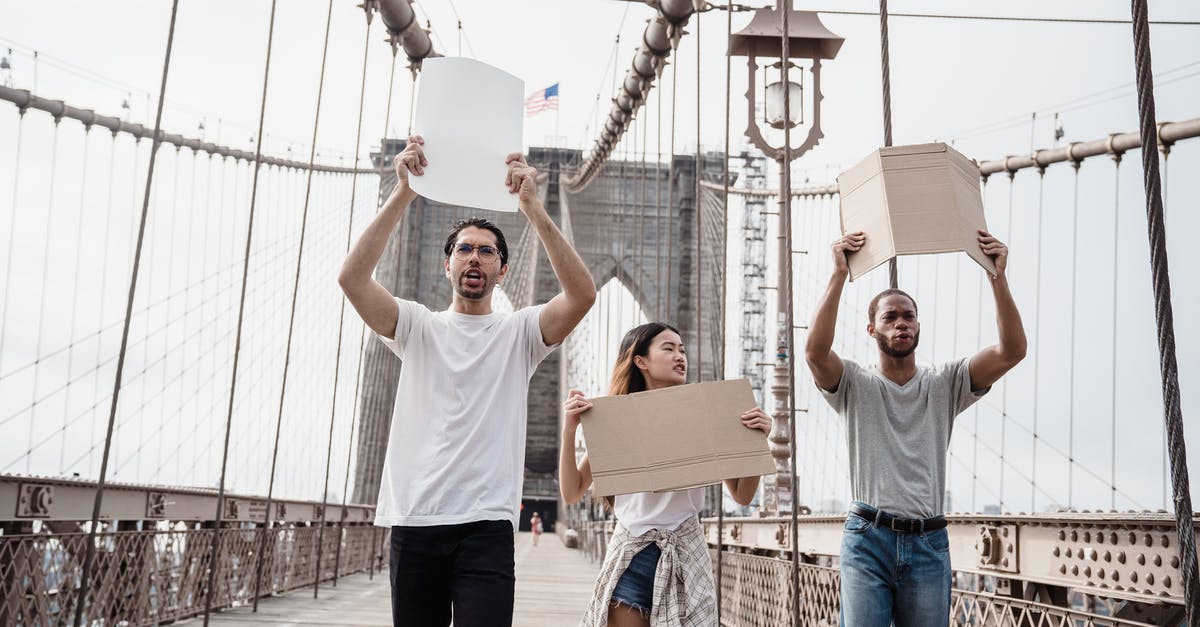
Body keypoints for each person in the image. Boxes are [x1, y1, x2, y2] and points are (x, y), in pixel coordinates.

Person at [338, 134, 596, 627]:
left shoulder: (520, 333)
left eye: (486, 252)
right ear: (447, 263)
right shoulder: (416, 325)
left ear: (503, 269)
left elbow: (581, 295)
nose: (474, 257)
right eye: (463, 250)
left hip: (487, 526)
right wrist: (405, 192)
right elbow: (352, 280)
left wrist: (532, 210)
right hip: (416, 520)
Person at [805, 230, 1027, 626]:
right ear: (872, 330)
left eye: (909, 316)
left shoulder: (946, 382)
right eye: (889, 317)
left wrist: (998, 277)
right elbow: (815, 353)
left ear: (919, 326)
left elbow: (1012, 351)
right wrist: (838, 274)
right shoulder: (854, 383)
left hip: (928, 541)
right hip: (867, 538)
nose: (901, 323)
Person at [558, 322, 772, 627]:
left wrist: (755, 442)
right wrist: (569, 430)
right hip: (633, 558)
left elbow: (743, 494)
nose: (680, 356)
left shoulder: (705, 415)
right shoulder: (616, 420)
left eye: (682, 350)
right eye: (668, 349)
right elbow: (572, 490)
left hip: (685, 557)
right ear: (640, 360)